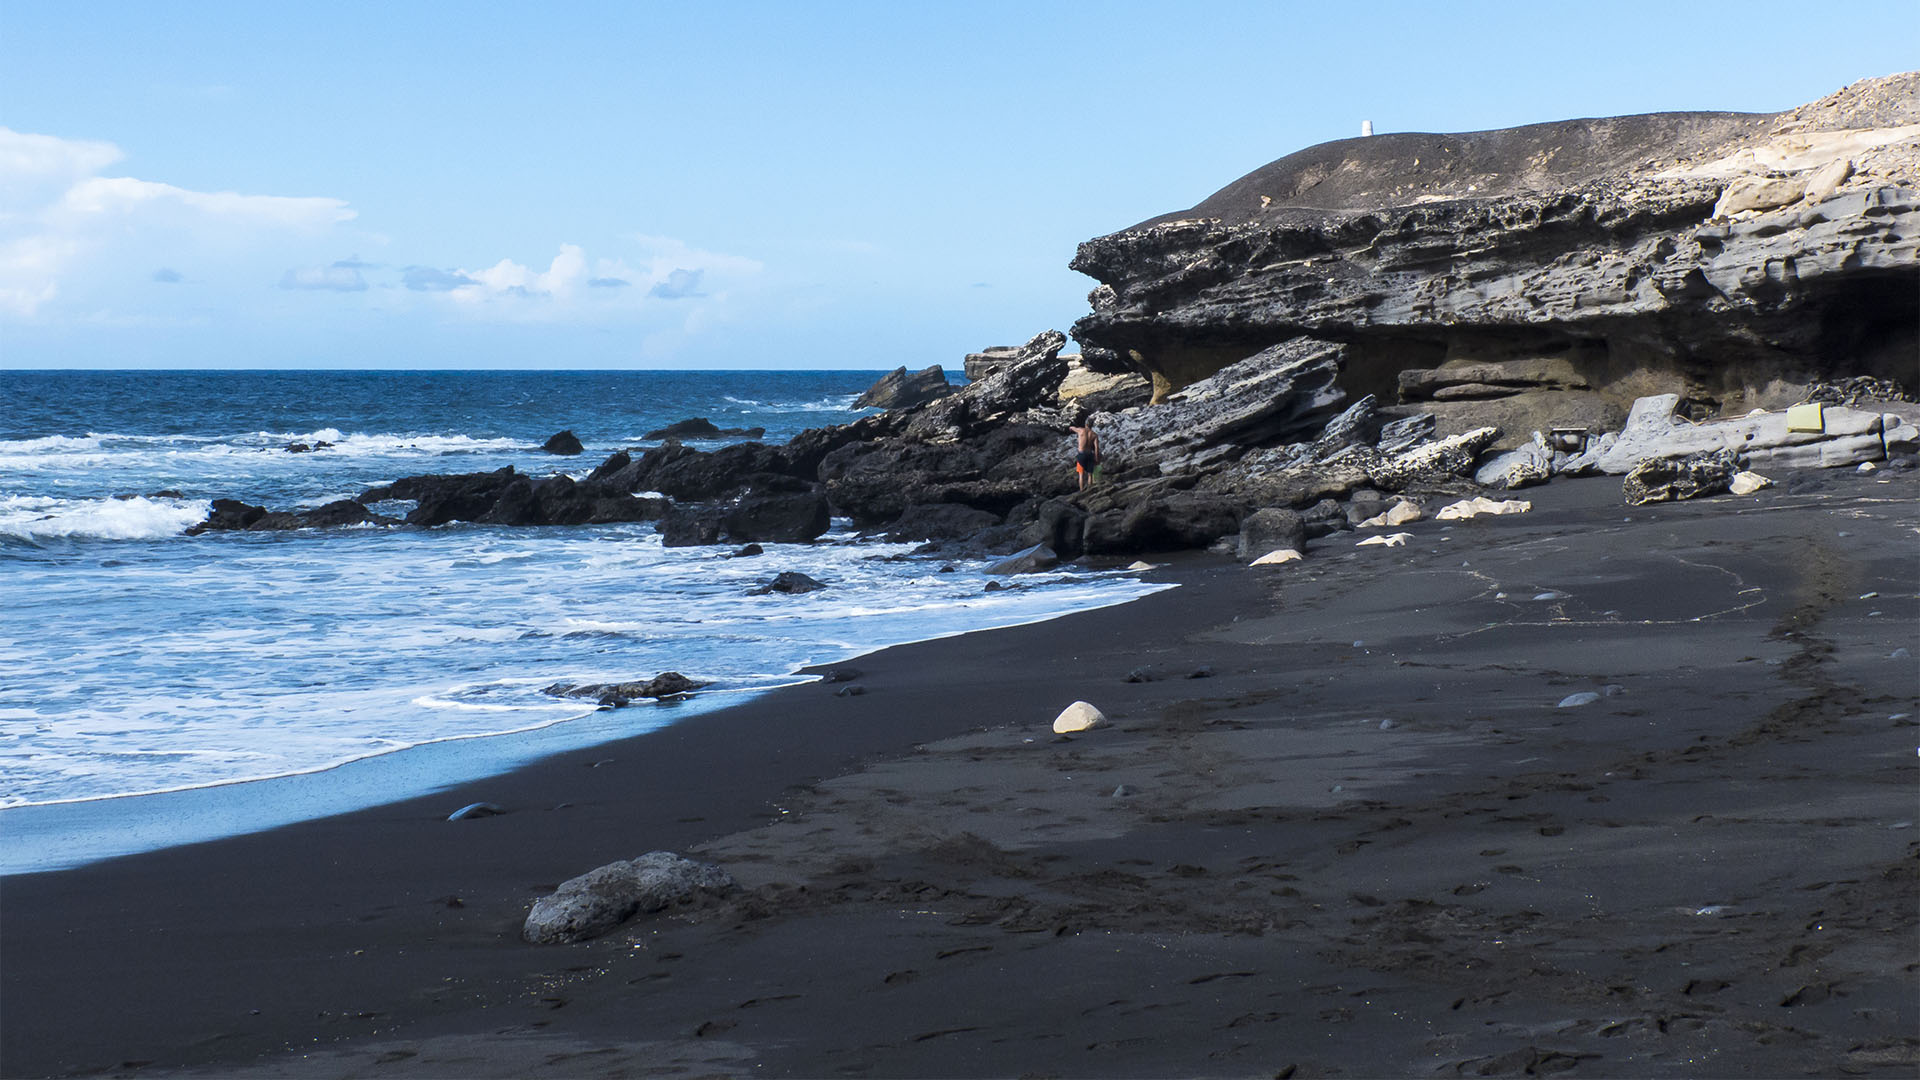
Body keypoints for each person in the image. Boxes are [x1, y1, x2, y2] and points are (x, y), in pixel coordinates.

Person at [1068, 410, 1101, 491]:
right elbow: (1096, 448)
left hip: (1081, 454)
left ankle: (1082, 490)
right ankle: (1090, 490)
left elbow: (1073, 428)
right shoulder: (1094, 435)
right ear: (1092, 425)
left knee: (1081, 474)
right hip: (1090, 454)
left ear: (1086, 424)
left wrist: (1070, 428)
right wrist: (1096, 459)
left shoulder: (1080, 430)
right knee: (1090, 474)